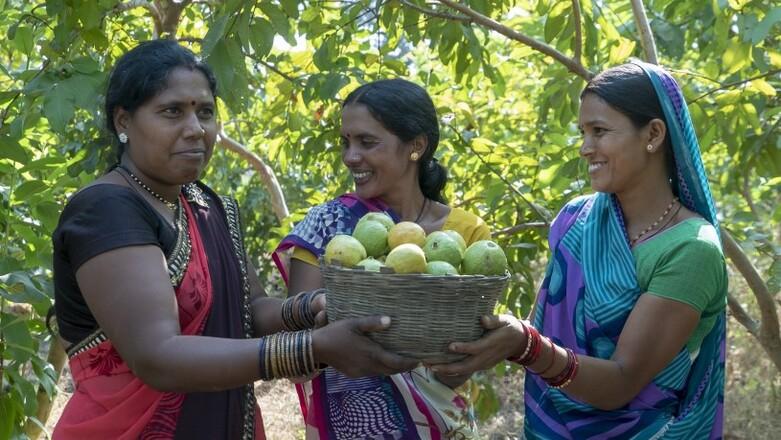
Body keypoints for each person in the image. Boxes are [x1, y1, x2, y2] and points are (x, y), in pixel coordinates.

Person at [51, 40, 416, 440]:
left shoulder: (207, 206)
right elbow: (157, 356)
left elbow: (252, 310)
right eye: (172, 111)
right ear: (124, 122)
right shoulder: (106, 209)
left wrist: (315, 306)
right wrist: (314, 347)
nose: (195, 129)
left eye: (205, 112)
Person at [429, 61, 727, 439]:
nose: (586, 149)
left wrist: (524, 345)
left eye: (599, 131)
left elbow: (620, 383)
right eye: (583, 133)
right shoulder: (576, 219)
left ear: (653, 134)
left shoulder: (691, 250)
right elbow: (543, 327)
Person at [272, 78, 491, 439]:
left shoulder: (467, 236)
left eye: (367, 142)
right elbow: (296, 355)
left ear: (416, 146)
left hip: (442, 426)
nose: (350, 156)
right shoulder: (329, 228)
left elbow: (460, 364)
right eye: (346, 142)